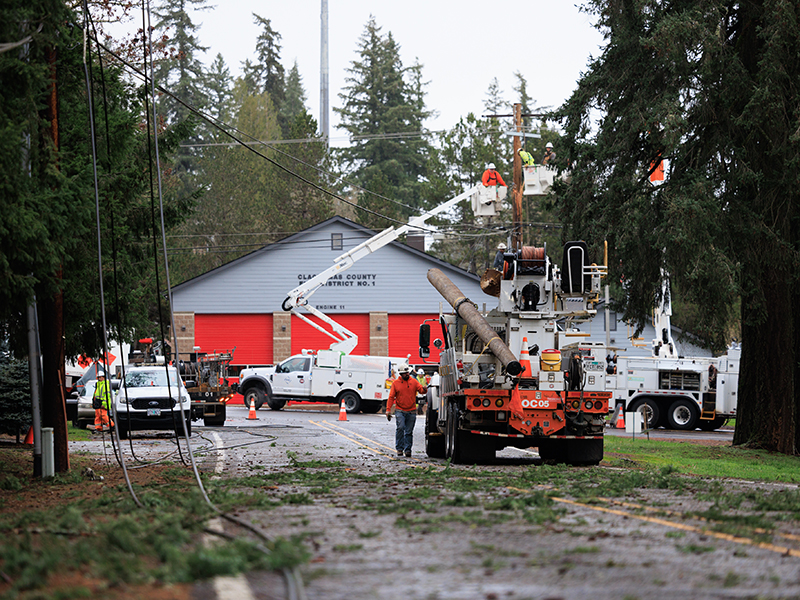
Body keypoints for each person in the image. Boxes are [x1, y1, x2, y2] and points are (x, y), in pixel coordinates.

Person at [386, 365, 426, 457]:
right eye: (405, 373)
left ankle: (408, 450)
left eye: (408, 372)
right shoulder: (396, 383)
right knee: (400, 428)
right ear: (401, 374)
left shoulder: (414, 382)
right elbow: (391, 397)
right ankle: (399, 448)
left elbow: (421, 390)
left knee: (409, 431)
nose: (407, 374)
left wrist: (424, 390)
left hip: (411, 411)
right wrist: (388, 410)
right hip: (400, 410)